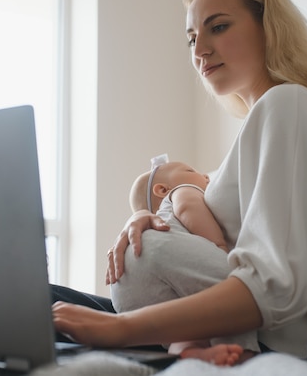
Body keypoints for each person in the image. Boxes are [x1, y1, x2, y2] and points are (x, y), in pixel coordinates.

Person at [52, 0, 307, 366]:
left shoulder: (291, 105)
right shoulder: (265, 121)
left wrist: (120, 329)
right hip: (199, 326)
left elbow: (278, 286)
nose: (199, 49)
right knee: (34, 304)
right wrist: (145, 218)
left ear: (270, 28)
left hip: (254, 338)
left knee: (32, 314)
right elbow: (225, 243)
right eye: (191, 39)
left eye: (217, 27)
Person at [111, 154, 260, 363]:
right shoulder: (181, 191)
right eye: (192, 172)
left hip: (124, 288)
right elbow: (188, 208)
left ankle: (185, 350)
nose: (205, 177)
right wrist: (218, 245)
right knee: (230, 291)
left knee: (186, 324)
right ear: (162, 190)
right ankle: (242, 351)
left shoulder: (152, 219)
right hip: (161, 250)